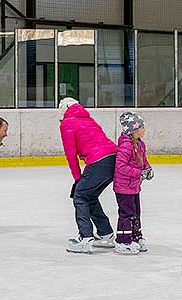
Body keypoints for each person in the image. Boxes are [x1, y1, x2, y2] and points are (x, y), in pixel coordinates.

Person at [59, 97, 117, 254]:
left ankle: (85, 238)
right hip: (113, 158)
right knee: (89, 195)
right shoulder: (89, 120)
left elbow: (70, 154)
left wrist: (78, 179)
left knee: (80, 196)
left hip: (99, 161)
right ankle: (105, 234)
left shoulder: (67, 123)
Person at [113, 112, 154, 254]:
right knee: (127, 213)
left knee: (136, 212)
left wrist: (147, 168)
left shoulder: (140, 144)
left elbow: (142, 160)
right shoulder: (125, 146)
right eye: (141, 127)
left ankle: (135, 236)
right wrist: (139, 173)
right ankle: (123, 240)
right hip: (123, 187)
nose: (144, 129)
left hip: (134, 186)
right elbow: (121, 167)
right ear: (133, 130)